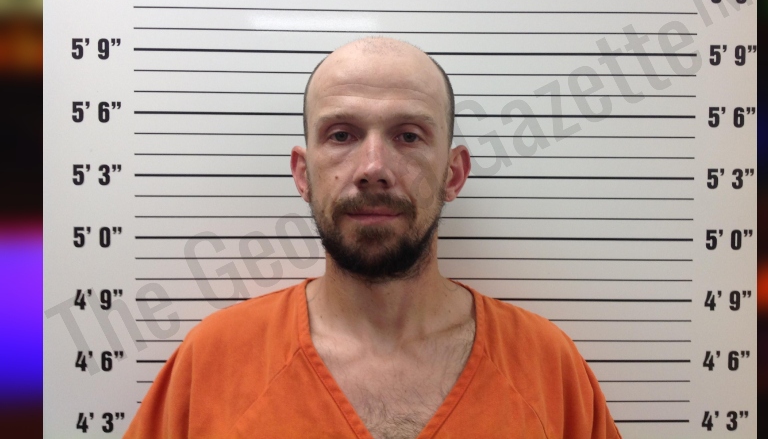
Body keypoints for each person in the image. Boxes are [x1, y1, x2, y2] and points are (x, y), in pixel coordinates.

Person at [123, 37, 622, 438]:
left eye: (408, 136)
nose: (373, 167)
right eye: (341, 135)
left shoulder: (547, 366)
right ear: (303, 174)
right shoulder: (214, 360)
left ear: (453, 174)